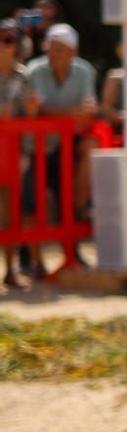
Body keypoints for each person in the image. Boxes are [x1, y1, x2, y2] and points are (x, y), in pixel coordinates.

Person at [23, 21, 99, 268]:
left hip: (68, 146)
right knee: (30, 202)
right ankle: (31, 261)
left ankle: (72, 251)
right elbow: (41, 109)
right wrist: (71, 114)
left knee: (71, 195)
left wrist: (60, 114)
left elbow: (87, 113)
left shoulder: (84, 70)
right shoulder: (34, 70)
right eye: (50, 48)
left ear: (72, 52)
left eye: (58, 49)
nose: (52, 53)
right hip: (38, 148)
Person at [0, 19, 30, 288]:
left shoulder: (23, 76)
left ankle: (11, 270)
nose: (2, 45)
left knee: (11, 213)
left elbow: (30, 117)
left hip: (11, 153)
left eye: (8, 40)